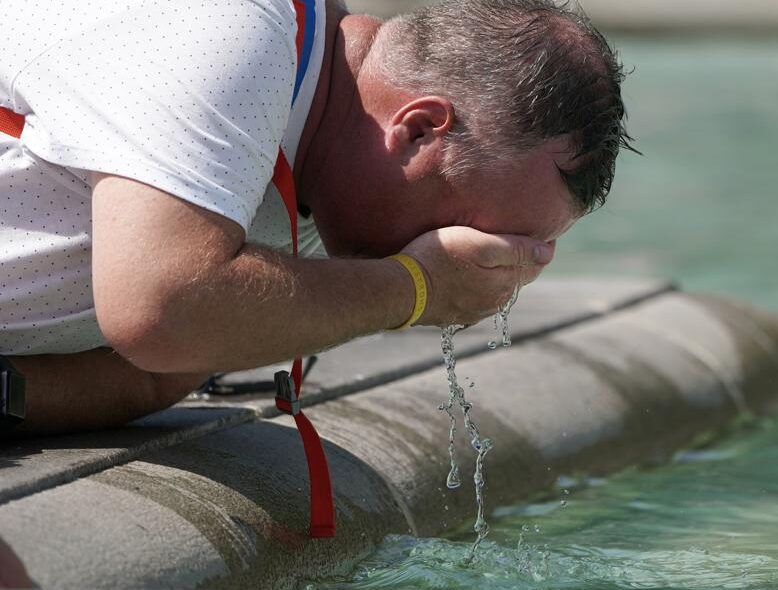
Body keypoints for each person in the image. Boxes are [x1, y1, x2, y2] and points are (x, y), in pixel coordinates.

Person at [0, 0, 632, 436]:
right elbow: (164, 310)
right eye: (480, 231)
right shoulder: (228, 34)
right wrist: (416, 287)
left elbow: (153, 378)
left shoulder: (321, 164)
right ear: (417, 130)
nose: (472, 255)